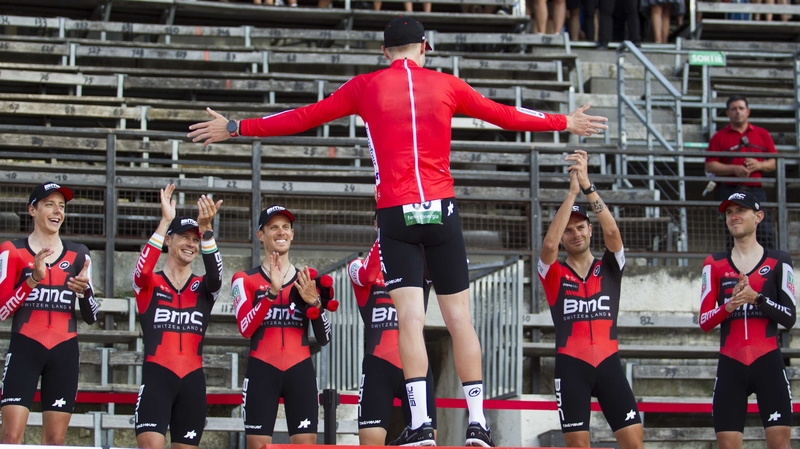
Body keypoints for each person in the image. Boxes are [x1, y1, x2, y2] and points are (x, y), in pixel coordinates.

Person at [188, 16, 607, 447]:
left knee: (409, 318)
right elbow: (504, 114)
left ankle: (422, 423)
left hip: (395, 212)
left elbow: (302, 117)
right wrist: (564, 121)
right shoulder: (447, 84)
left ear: (384, 52)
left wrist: (237, 127)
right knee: (459, 319)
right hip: (441, 209)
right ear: (424, 47)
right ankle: (477, 423)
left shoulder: (365, 86)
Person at [538, 150, 644, 449]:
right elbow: (547, 244)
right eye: (568, 231)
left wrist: (587, 186)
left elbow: (613, 230)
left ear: (590, 230)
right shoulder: (554, 273)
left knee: (635, 442)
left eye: (580, 227)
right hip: (572, 367)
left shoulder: (609, 266)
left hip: (609, 363)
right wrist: (572, 193)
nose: (575, 234)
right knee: (578, 447)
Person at [0, 182, 99, 445]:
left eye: (62, 206)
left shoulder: (79, 254)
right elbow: (2, 311)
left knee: (55, 441)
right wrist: (32, 279)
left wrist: (84, 292)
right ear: (32, 210)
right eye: (49, 204)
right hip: (24, 350)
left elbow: (91, 316)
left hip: (64, 353)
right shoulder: (11, 250)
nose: (57, 211)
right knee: (10, 437)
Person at [699, 190, 795, 449]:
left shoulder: (779, 261)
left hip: (769, 364)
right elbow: (705, 321)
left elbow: (789, 318)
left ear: (758, 216)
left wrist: (757, 298)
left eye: (740, 210)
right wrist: (729, 306)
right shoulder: (714, 263)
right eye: (729, 213)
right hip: (731, 365)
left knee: (779, 445)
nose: (734, 216)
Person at [231, 205, 331, 449]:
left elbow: (325, 336)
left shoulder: (305, 280)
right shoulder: (244, 279)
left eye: (286, 227)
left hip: (301, 370)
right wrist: (271, 293)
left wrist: (315, 303)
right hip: (261, 370)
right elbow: (245, 328)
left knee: (305, 446)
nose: (281, 232)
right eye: (273, 227)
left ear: (292, 234)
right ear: (261, 235)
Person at [131, 184, 223, 449]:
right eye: (184, 237)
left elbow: (217, 276)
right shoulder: (149, 284)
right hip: (157, 380)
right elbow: (141, 270)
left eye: (195, 240)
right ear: (169, 240)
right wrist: (165, 222)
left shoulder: (204, 287)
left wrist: (206, 232)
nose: (191, 244)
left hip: (193, 383)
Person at [348, 216, 437, 445]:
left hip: (417, 366)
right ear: (376, 224)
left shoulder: (421, 264)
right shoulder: (357, 265)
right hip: (379, 365)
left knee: (427, 442)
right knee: (370, 443)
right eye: (386, 218)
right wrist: (386, 235)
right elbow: (367, 275)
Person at [705, 94, 777, 250]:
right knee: (734, 231)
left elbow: (773, 163)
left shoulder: (762, 134)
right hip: (730, 190)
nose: (738, 112)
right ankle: (734, 271)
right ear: (727, 113)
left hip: (755, 191)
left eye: (741, 108)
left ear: (748, 111)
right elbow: (710, 166)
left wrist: (758, 165)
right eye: (733, 109)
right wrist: (734, 169)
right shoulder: (718, 137)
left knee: (764, 230)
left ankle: (771, 268)